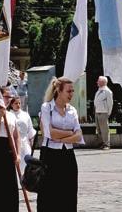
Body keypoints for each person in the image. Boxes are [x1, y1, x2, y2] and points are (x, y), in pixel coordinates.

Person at [37, 77, 83, 212]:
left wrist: (62, 138)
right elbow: (49, 132)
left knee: (68, 194)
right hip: (50, 155)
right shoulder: (47, 107)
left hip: (68, 154)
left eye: (73, 91)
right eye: (69, 91)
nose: (71, 94)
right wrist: (70, 133)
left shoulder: (72, 110)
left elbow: (79, 135)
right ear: (59, 90)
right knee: (49, 195)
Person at [9, 95, 36, 174]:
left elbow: (30, 130)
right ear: (11, 104)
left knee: (26, 164)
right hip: (13, 143)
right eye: (16, 103)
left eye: (19, 103)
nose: (18, 105)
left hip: (25, 142)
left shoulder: (25, 115)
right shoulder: (9, 115)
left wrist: (31, 143)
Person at [94, 76, 114, 149]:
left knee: (104, 129)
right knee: (99, 129)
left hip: (103, 112)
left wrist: (108, 113)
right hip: (97, 112)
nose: (97, 82)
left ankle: (106, 144)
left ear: (103, 82)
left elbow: (110, 103)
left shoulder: (108, 92)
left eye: (98, 81)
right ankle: (102, 143)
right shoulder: (99, 90)